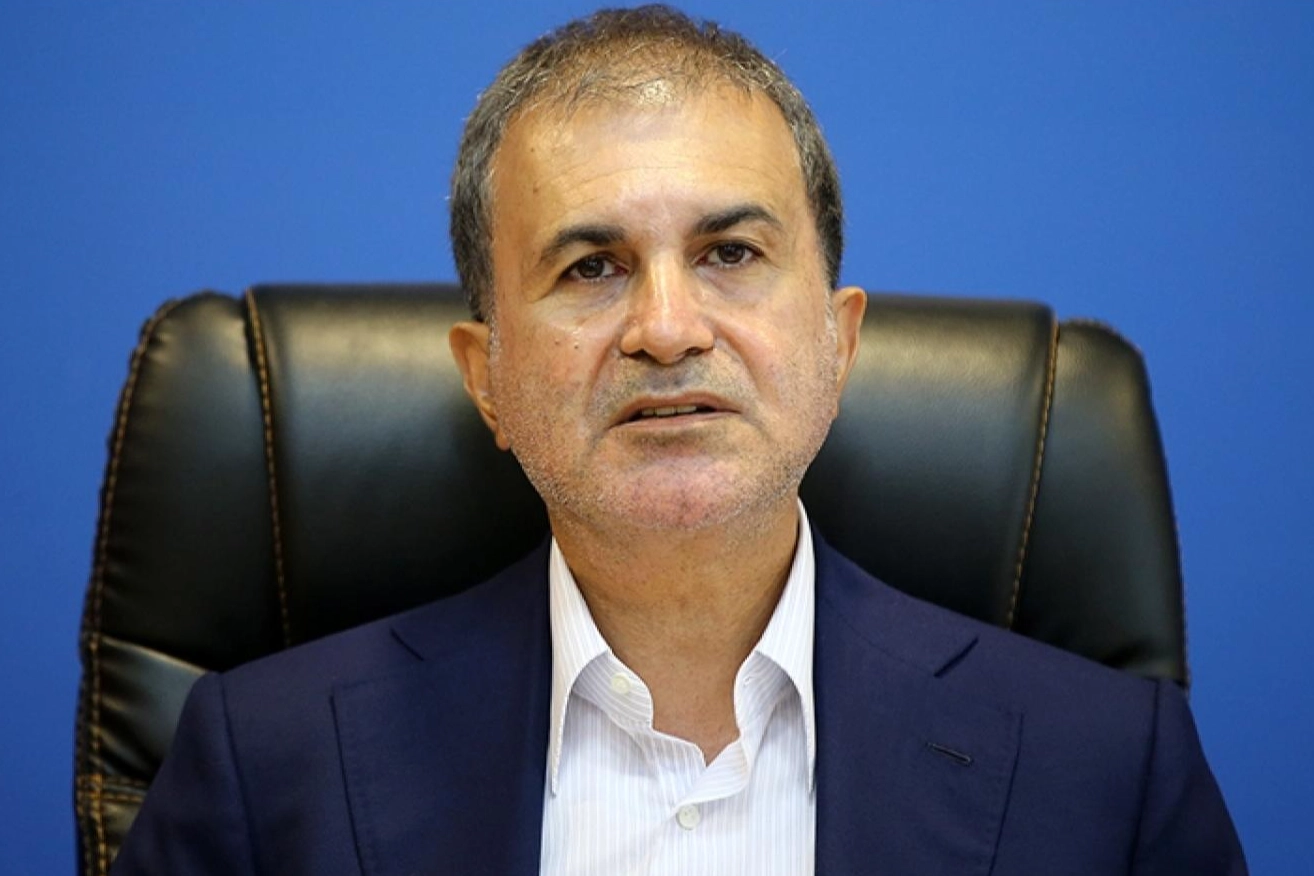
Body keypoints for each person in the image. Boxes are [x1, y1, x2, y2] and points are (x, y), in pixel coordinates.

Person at [112, 6, 1245, 874]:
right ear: (486, 379)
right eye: (590, 267)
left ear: (840, 343)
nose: (665, 328)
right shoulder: (266, 766)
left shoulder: (1110, 772)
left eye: (730, 254)